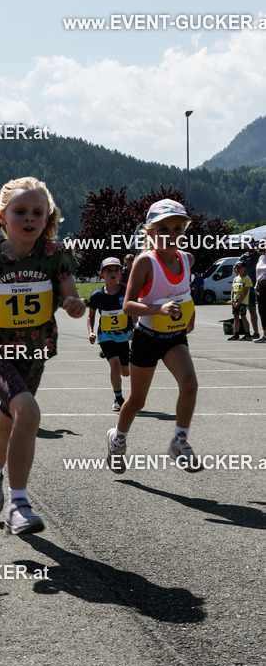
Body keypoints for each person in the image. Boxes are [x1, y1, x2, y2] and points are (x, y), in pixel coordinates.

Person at [0, 177, 85, 535]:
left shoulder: (55, 255)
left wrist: (74, 304)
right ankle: (18, 504)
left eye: (38, 212)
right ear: (2, 216)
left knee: (9, 422)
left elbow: (70, 294)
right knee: (28, 412)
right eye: (20, 211)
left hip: (33, 353)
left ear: (48, 217)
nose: (29, 218)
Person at [106, 199, 202, 472]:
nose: (171, 235)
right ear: (149, 233)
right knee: (138, 400)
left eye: (177, 229)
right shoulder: (145, 262)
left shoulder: (187, 259)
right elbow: (128, 305)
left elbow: (184, 293)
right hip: (147, 338)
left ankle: (179, 441)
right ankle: (117, 440)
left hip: (174, 338)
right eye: (163, 230)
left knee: (190, 384)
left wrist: (190, 316)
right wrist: (158, 309)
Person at [87, 257, 133, 412]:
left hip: (123, 335)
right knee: (114, 363)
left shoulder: (127, 292)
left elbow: (135, 310)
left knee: (125, 372)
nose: (113, 273)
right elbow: (90, 316)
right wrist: (91, 332)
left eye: (116, 270)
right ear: (101, 274)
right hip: (105, 336)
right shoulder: (97, 295)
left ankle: (108, 353)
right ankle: (118, 398)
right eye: (109, 270)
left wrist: (134, 328)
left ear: (121, 274)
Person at [238, 243, 260, 339]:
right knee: (251, 310)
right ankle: (256, 332)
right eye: (246, 244)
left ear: (254, 244)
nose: (249, 246)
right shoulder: (244, 257)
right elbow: (236, 267)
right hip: (248, 287)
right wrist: (240, 278)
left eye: (251, 244)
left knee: (263, 309)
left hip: (259, 286)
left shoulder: (259, 256)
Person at [228, 261, 252, 340]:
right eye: (236, 268)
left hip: (242, 301)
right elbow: (232, 290)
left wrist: (239, 302)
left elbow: (245, 292)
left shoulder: (246, 278)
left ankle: (247, 333)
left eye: (239, 267)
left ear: (244, 268)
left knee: (243, 316)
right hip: (235, 301)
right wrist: (232, 300)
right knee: (236, 317)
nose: (237, 269)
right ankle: (236, 333)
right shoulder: (236, 278)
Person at [254, 243, 266, 344]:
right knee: (262, 310)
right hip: (262, 286)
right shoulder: (261, 258)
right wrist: (256, 285)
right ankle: (265, 335)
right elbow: (259, 273)